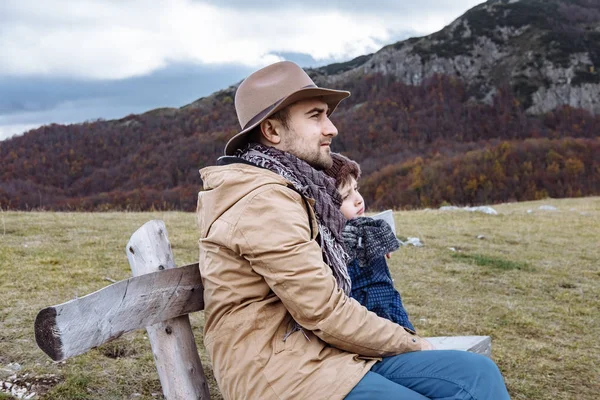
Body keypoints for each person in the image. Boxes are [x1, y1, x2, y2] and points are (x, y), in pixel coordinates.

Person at [197, 61, 510, 399]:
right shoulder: (262, 202)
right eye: (315, 116)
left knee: (475, 375)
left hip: (329, 353)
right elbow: (324, 311)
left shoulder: (300, 186)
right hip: (280, 373)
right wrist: (413, 343)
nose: (331, 128)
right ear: (273, 132)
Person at [325, 152, 416, 332]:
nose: (358, 200)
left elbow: (386, 288)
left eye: (356, 189)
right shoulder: (332, 247)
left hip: (391, 311)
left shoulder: (366, 232)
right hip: (367, 326)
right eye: (345, 196)